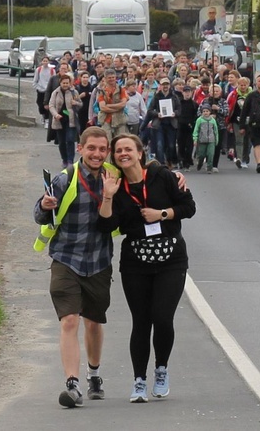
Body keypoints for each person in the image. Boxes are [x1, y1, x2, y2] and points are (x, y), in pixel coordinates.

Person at [98, 134, 196, 403]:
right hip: (135, 262)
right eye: (118, 150)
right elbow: (107, 227)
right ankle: (139, 381)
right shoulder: (114, 185)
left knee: (162, 318)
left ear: (140, 153)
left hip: (171, 259)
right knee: (141, 322)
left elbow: (189, 207)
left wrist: (161, 214)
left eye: (128, 149)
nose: (123, 153)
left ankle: (161, 370)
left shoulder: (163, 176)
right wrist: (107, 197)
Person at [33, 127, 117, 408]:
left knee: (93, 322)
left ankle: (94, 374)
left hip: (99, 260)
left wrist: (175, 176)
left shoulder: (113, 176)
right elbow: (39, 212)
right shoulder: (66, 178)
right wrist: (45, 206)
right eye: (90, 148)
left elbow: (143, 174)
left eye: (101, 149)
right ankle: (72, 384)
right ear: (80, 149)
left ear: (107, 151)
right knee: (69, 320)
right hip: (66, 258)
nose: (96, 154)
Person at [49, 74, 83, 168]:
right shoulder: (55, 93)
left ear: (69, 83)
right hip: (59, 120)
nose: (65, 85)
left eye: (67, 83)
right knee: (62, 142)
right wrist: (56, 115)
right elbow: (51, 105)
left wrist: (75, 103)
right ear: (60, 83)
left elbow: (80, 104)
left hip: (70, 120)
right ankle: (64, 159)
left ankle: (70, 160)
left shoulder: (74, 92)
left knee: (70, 139)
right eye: (63, 83)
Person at [147, 77, 181, 167]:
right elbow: (150, 110)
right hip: (159, 125)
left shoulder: (174, 97)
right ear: (160, 86)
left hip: (171, 124)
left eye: (167, 84)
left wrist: (175, 113)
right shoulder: (156, 96)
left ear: (169, 86)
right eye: (163, 85)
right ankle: (161, 164)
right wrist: (157, 114)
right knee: (159, 145)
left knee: (171, 145)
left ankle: (170, 160)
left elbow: (179, 109)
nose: (165, 86)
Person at [199, 84, 228, 172]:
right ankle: (208, 162)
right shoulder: (205, 101)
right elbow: (198, 113)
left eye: (216, 91)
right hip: (206, 128)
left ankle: (214, 164)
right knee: (207, 146)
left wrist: (218, 109)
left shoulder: (223, 101)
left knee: (217, 146)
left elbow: (227, 112)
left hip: (219, 126)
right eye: (213, 91)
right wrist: (208, 116)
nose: (215, 93)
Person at [226, 76, 252, 168]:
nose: (243, 87)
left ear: (248, 85)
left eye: (245, 85)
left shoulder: (252, 95)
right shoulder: (233, 94)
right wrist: (228, 121)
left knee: (248, 141)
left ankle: (245, 158)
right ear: (238, 85)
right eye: (241, 85)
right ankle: (239, 158)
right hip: (236, 121)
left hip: (250, 121)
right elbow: (229, 107)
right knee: (239, 140)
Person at [97, 68, 129, 140]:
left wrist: (109, 106)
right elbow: (102, 108)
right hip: (105, 119)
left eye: (113, 77)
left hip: (119, 119)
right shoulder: (101, 91)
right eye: (109, 78)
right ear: (105, 78)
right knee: (107, 142)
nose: (111, 79)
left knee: (120, 141)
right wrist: (117, 108)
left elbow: (123, 104)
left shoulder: (121, 89)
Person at [177, 85, 198, 171]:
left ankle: (187, 163)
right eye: (185, 92)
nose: (187, 93)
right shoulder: (179, 103)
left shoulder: (194, 104)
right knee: (181, 146)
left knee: (189, 147)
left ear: (191, 92)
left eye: (188, 91)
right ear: (183, 93)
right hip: (180, 127)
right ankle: (181, 160)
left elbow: (196, 116)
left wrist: (193, 124)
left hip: (190, 128)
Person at [33, 56, 55, 129]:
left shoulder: (52, 70)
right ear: (42, 62)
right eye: (44, 61)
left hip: (49, 91)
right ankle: (43, 115)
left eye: (46, 61)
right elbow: (35, 80)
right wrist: (37, 87)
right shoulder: (38, 70)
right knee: (40, 105)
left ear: (48, 62)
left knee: (47, 106)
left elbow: (54, 80)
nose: (45, 62)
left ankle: (47, 120)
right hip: (40, 90)